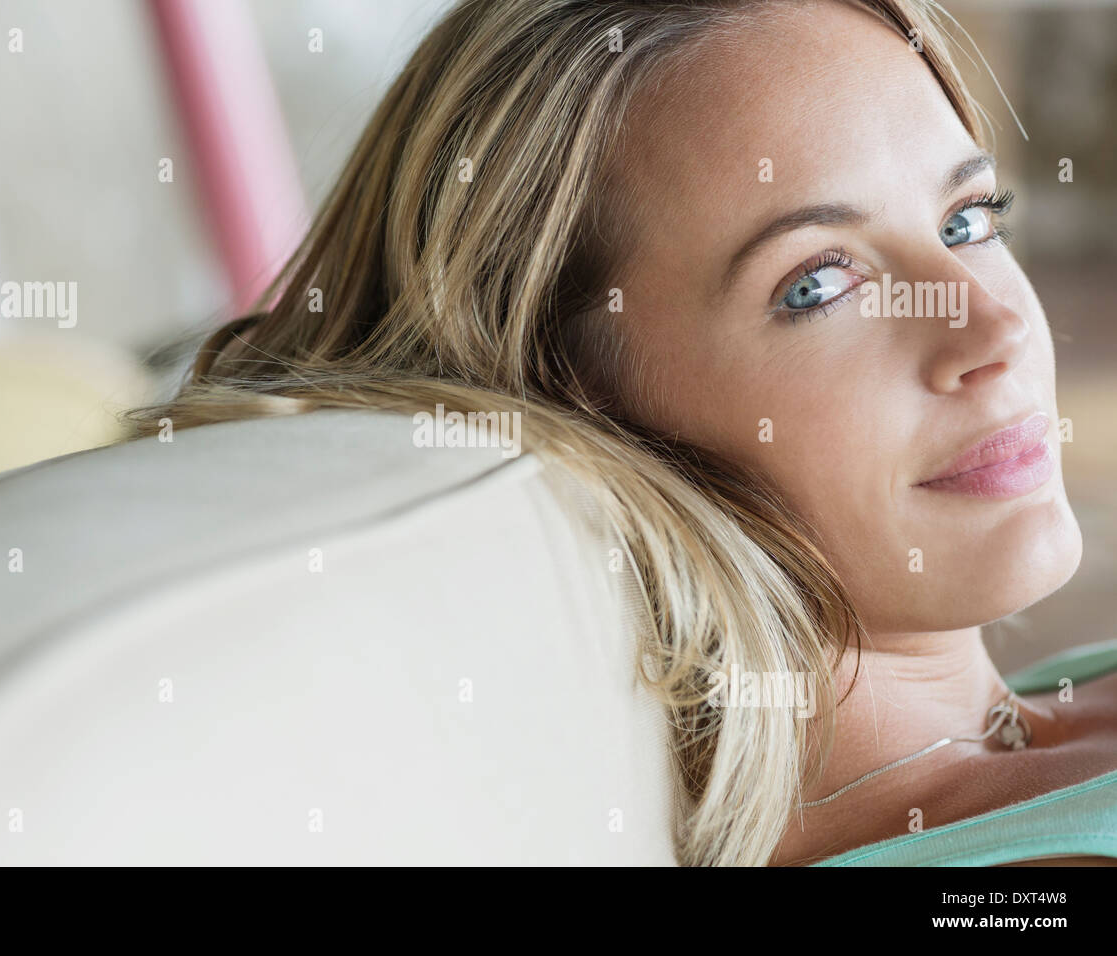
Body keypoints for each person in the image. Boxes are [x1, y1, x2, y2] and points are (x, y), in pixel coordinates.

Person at [124, 0, 1117, 866]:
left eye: (968, 219)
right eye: (817, 284)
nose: (992, 328)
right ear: (585, 400)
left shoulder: (1050, 715)